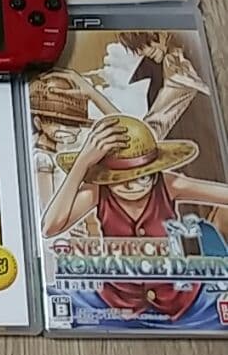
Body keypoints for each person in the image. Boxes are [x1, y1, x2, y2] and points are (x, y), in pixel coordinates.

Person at [42, 114, 228, 320]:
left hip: (180, 299)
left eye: (142, 176)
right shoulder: (98, 191)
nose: (132, 185)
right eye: (120, 178)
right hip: (117, 303)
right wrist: (82, 163)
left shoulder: (168, 184)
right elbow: (50, 227)